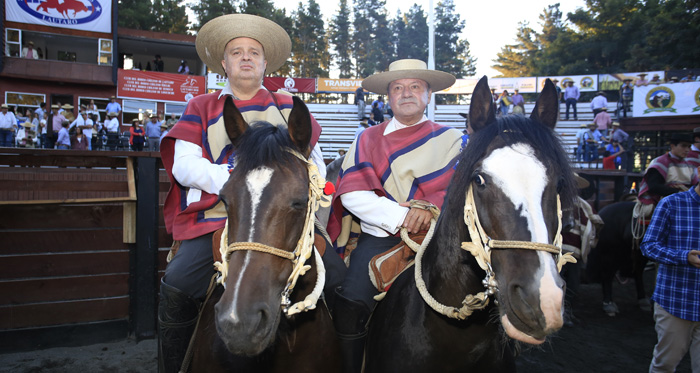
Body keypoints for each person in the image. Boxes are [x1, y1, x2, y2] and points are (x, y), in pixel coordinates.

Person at [159, 14, 328, 373]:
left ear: (266, 63)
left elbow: (317, 167)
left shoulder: (288, 106)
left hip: (283, 220)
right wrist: (236, 178)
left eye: (254, 52)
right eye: (237, 52)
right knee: (177, 284)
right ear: (224, 63)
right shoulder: (200, 106)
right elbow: (183, 165)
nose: (246, 57)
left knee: (342, 283)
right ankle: (172, 366)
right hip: (217, 217)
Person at [326, 59, 463, 373]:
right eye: (398, 88)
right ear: (388, 97)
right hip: (380, 239)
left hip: (440, 239)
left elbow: (460, 192)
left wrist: (427, 213)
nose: (406, 93)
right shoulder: (367, 138)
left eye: (415, 87)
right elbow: (352, 194)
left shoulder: (452, 138)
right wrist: (403, 217)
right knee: (349, 305)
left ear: (428, 94)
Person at [640, 165, 700, 373]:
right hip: (676, 301)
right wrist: (683, 257)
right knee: (665, 364)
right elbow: (648, 246)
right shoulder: (671, 203)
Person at [561, 174, 603, 327]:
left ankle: (567, 313)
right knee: (558, 282)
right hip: (555, 250)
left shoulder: (584, 205)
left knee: (572, 283)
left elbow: (594, 224)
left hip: (575, 251)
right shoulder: (553, 201)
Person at [637, 133, 698, 218]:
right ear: (673, 146)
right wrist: (678, 192)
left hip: (685, 199)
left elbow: (696, 185)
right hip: (661, 200)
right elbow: (653, 186)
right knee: (650, 213)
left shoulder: (690, 165)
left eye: (689, 146)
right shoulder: (660, 162)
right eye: (683, 146)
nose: (687, 149)